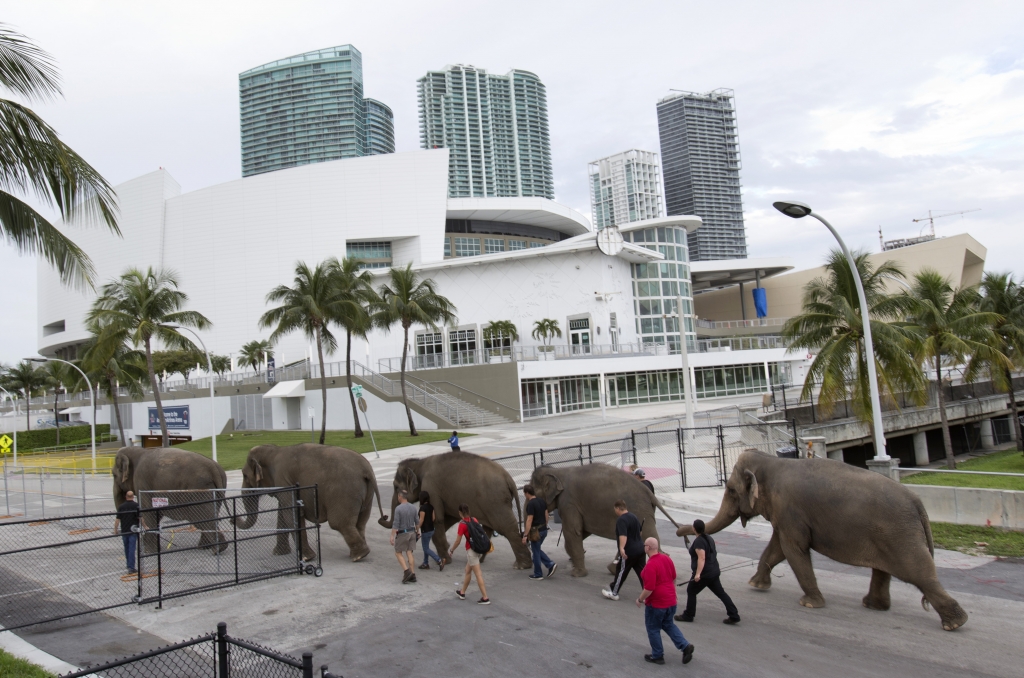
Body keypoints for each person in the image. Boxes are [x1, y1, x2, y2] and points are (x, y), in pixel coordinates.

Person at [637, 537, 694, 665]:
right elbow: (674, 577)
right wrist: (674, 593)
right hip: (670, 601)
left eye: (644, 545)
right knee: (668, 624)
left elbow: (649, 588)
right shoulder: (666, 558)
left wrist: (640, 599)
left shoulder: (651, 565)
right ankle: (685, 646)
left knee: (653, 628)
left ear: (648, 548)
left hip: (657, 603)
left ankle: (657, 655)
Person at [675, 519, 740, 624]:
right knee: (721, 593)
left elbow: (702, 558)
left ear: (694, 529)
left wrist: (698, 574)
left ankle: (688, 615)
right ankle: (734, 615)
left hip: (705, 574)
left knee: (691, 591)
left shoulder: (699, 541)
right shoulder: (709, 538)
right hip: (713, 571)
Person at [602, 500, 645, 601]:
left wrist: (621, 548)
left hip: (629, 551)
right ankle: (648, 594)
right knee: (642, 572)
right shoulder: (633, 516)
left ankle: (614, 592)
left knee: (621, 571)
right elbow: (640, 532)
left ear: (618, 508)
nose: (615, 511)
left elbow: (623, 535)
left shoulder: (621, 520)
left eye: (615, 509)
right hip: (640, 548)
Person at [448, 503, 490, 605]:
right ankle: (462, 592)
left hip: (472, 551)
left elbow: (458, 541)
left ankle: (485, 597)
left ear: (460, 513)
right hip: (478, 549)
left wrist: (452, 550)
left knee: (478, 574)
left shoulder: (462, 524)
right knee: (467, 570)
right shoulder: (474, 519)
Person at [521, 484, 557, 580]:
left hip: (535, 532)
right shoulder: (541, 501)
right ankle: (549, 564)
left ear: (527, 493)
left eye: (524, 493)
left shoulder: (531, 504)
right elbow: (547, 515)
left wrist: (525, 535)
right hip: (544, 530)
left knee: (536, 552)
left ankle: (539, 572)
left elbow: (529, 520)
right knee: (536, 549)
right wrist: (545, 525)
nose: (524, 495)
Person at [389, 490, 419, 583]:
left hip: (403, 533)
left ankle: (407, 571)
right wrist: (418, 531)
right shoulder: (413, 508)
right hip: (412, 532)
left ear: (400, 497)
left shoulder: (398, 509)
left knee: (398, 552)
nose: (398, 498)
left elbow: (396, 524)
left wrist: (392, 536)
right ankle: (413, 573)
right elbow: (417, 522)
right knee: (409, 552)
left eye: (398, 496)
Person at [113, 490, 139, 574]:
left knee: (126, 548)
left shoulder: (121, 507)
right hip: (133, 530)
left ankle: (129, 564)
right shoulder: (136, 506)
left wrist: (115, 529)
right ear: (133, 497)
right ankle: (131, 567)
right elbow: (140, 517)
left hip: (124, 530)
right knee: (132, 548)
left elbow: (117, 519)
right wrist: (145, 526)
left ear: (126, 497)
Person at [417, 491, 443, 571]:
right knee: (426, 547)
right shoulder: (431, 507)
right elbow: (433, 518)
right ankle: (425, 563)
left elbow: (421, 520)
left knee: (425, 549)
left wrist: (417, 529)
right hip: (431, 529)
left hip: (426, 530)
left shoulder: (422, 508)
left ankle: (438, 560)